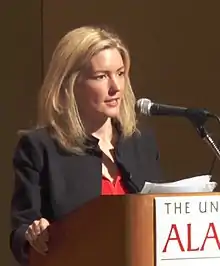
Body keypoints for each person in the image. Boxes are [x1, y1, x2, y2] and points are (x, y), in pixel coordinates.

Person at [10, 25, 163, 265]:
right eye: (102, 76)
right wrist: (35, 235)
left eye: (121, 73)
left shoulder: (141, 143)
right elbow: (22, 231)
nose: (116, 87)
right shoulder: (40, 148)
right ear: (71, 84)